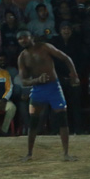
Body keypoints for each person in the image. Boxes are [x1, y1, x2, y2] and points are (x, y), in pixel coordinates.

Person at [18, 29, 80, 162]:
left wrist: (74, 74)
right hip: (37, 89)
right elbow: (23, 81)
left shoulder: (44, 47)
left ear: (31, 37)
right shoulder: (22, 57)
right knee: (33, 121)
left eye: (25, 37)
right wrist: (37, 80)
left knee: (62, 119)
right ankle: (29, 153)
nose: (23, 40)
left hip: (53, 88)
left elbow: (66, 58)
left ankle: (66, 153)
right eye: (20, 39)